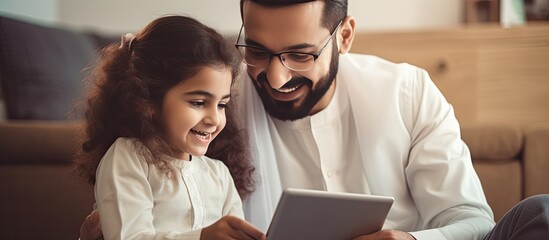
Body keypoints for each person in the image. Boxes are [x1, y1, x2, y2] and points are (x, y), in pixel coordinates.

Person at [81, 1, 549, 239]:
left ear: (343, 36)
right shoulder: (219, 100)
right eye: (258, 51)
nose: (276, 76)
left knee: (540, 213)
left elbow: (471, 220)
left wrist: (411, 239)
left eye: (301, 55)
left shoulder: (408, 91)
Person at [73, 15, 266, 240]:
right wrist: (202, 237)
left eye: (222, 104)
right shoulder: (128, 158)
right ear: (147, 100)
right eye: (198, 102)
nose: (215, 119)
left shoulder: (219, 175)